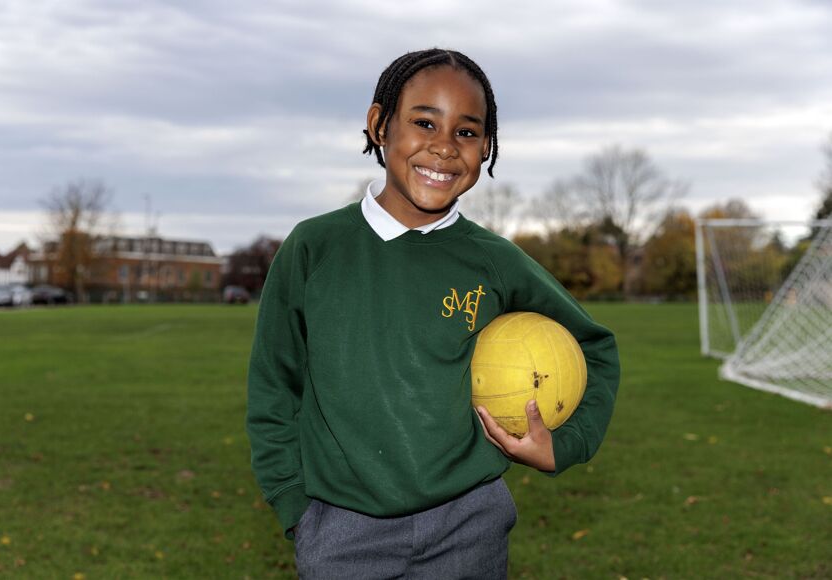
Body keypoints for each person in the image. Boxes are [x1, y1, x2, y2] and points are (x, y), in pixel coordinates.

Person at [246, 48, 620, 579]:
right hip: (342, 531)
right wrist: (296, 507)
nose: (444, 148)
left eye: (467, 133)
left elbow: (594, 345)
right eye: (424, 122)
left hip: (469, 524)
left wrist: (564, 445)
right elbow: (273, 387)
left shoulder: (493, 260)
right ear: (379, 125)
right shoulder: (315, 248)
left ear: (487, 146)